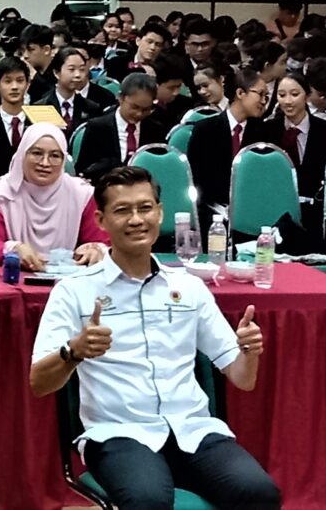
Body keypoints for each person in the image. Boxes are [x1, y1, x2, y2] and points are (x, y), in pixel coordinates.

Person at [30, 166, 280, 510]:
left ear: (160, 213)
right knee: (147, 500)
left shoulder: (189, 288)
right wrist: (74, 351)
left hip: (193, 431)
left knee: (260, 493)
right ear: (101, 220)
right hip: (119, 434)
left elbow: (242, 378)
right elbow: (39, 383)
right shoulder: (74, 291)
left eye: (145, 208)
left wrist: (249, 353)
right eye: (122, 210)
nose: (136, 219)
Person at [0, 121, 110, 267]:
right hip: (10, 274)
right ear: (22, 155)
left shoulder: (82, 194)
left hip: (67, 276)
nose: (45, 163)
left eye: (55, 156)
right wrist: (14, 250)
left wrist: (95, 251)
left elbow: (101, 243)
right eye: (37, 153)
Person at [185, 68, 267, 232]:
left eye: (267, 96)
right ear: (240, 93)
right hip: (210, 213)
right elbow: (195, 179)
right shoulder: (205, 130)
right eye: (260, 94)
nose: (264, 101)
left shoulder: (264, 132)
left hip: (252, 213)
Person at [261, 73, 326, 235]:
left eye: (294, 94)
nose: (288, 101)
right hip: (275, 209)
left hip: (315, 212)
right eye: (282, 95)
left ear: (307, 96)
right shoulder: (267, 130)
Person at [75, 74, 166, 183]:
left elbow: (159, 168)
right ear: (121, 98)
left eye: (146, 110)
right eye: (135, 107)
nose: (139, 113)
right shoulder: (98, 127)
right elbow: (84, 169)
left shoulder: (155, 129)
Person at [37, 47, 102, 136]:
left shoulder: (92, 108)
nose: (78, 75)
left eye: (82, 69)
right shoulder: (41, 107)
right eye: (71, 69)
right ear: (56, 73)